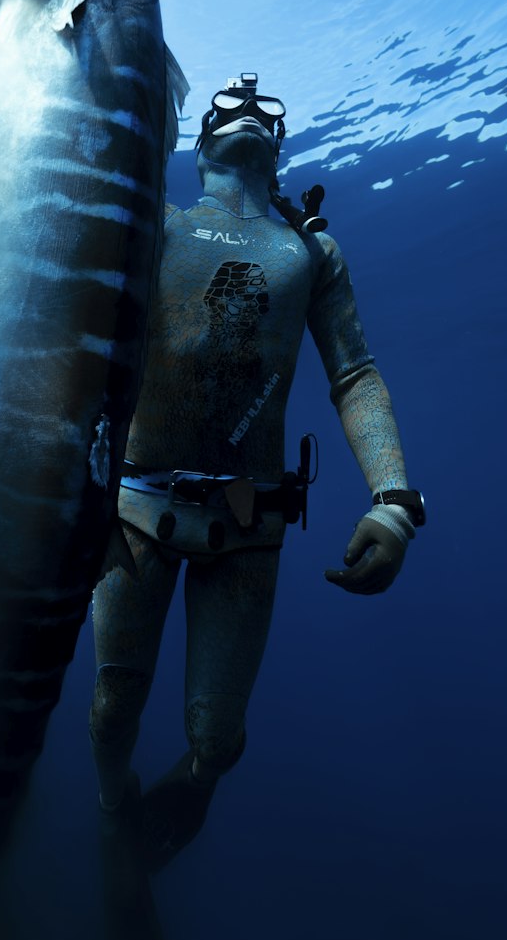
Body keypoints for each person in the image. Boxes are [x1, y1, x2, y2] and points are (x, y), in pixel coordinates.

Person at [89, 73, 425, 870]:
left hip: (247, 526)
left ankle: (183, 789)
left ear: (277, 148)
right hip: (134, 511)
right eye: (228, 101)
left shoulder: (313, 250)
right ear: (198, 143)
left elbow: (355, 374)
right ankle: (113, 814)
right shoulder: (150, 224)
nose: (244, 97)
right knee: (110, 709)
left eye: (262, 103)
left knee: (217, 738)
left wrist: (395, 501)